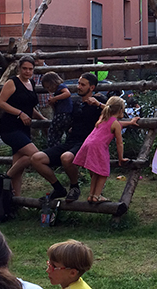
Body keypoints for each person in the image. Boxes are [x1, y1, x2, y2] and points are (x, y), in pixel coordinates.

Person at [0, 55, 65, 200]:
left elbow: (29, 106)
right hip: (10, 127)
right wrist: (20, 113)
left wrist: (41, 118)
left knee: (19, 165)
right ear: (19, 68)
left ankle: (16, 200)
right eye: (24, 69)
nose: (27, 72)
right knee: (35, 156)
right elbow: (0, 103)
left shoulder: (31, 83)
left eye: (30, 69)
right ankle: (57, 186)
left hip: (24, 128)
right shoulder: (12, 82)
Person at [33, 73, 108, 203]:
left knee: (66, 158)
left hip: (87, 143)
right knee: (36, 159)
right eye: (78, 83)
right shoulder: (75, 102)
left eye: (82, 85)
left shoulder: (100, 100)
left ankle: (74, 187)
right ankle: (58, 189)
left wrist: (98, 104)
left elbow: (118, 114)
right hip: (70, 141)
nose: (78, 87)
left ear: (92, 87)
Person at [72, 95, 131, 205]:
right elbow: (119, 143)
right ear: (121, 110)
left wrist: (130, 122)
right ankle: (97, 196)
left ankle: (91, 195)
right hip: (98, 147)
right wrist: (121, 158)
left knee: (96, 173)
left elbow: (118, 124)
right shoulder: (115, 124)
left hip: (88, 143)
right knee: (103, 172)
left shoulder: (103, 118)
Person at [40, 72, 72, 150]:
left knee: (52, 132)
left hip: (63, 114)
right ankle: (57, 148)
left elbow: (67, 93)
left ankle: (53, 149)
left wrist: (55, 98)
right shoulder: (56, 94)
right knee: (57, 133)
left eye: (49, 87)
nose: (49, 89)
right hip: (61, 114)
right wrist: (52, 104)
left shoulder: (61, 87)